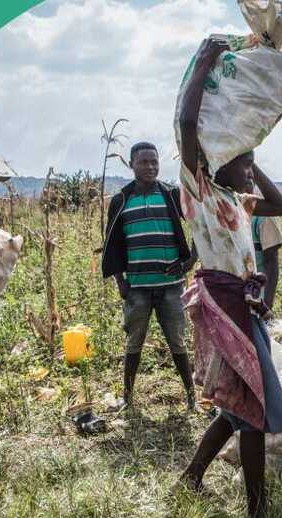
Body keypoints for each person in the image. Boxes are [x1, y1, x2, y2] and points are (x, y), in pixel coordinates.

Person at [174, 38, 282, 518]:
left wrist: (249, 157)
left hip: (244, 308)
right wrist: (205, 62)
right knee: (252, 409)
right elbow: (187, 125)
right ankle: (257, 512)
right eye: (242, 164)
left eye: (250, 164)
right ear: (217, 162)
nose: (249, 172)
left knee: (238, 406)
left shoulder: (238, 202)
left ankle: (191, 476)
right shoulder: (201, 191)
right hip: (224, 307)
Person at [102, 141, 196, 411]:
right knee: (134, 342)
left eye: (154, 162)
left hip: (171, 286)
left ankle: (191, 396)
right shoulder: (121, 200)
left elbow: (200, 224)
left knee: (177, 342)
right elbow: (112, 244)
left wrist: (191, 260)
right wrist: (120, 281)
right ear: (131, 165)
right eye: (144, 162)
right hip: (137, 287)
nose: (151, 167)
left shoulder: (172, 195)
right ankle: (127, 398)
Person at [251, 215, 282, 309]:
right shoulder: (240, 212)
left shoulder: (266, 217)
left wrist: (266, 304)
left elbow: (271, 262)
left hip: (257, 296)